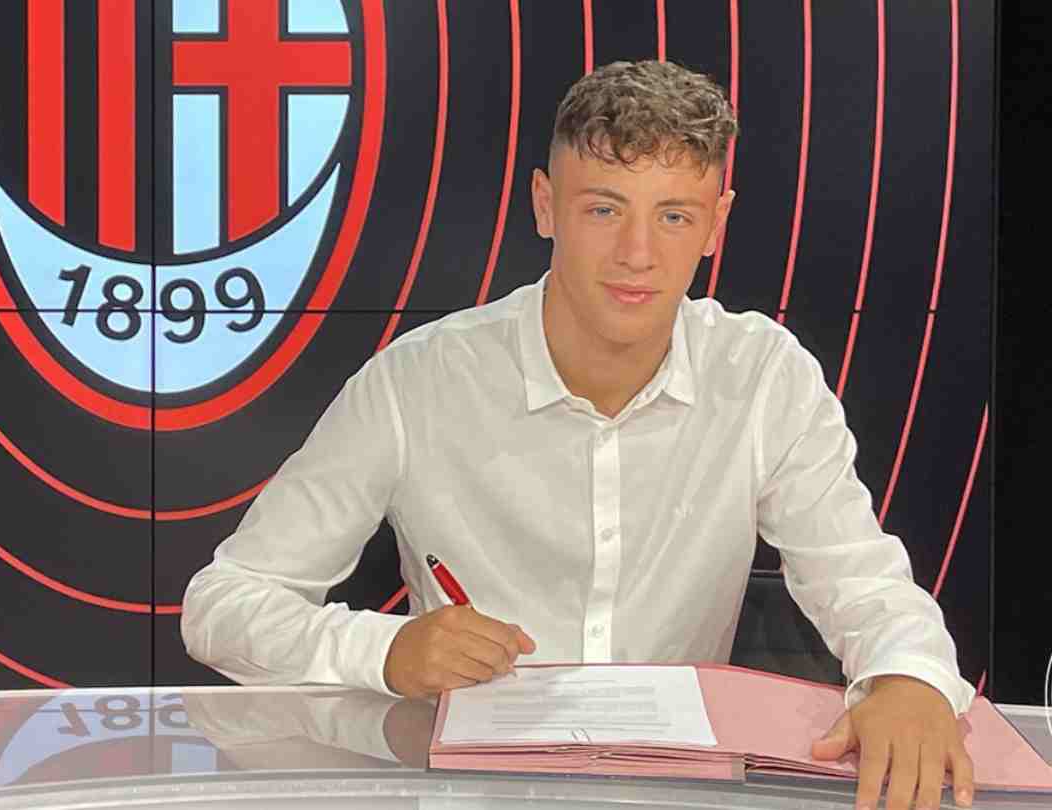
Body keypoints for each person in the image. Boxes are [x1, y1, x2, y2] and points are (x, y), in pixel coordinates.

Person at [182, 60, 976, 810]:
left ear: (716, 224)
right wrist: (383, 651)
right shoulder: (418, 382)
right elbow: (224, 604)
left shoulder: (763, 374)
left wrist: (906, 677)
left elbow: (863, 583)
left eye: (674, 216)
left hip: (678, 795)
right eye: (603, 209)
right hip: (470, 796)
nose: (637, 255)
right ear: (544, 205)